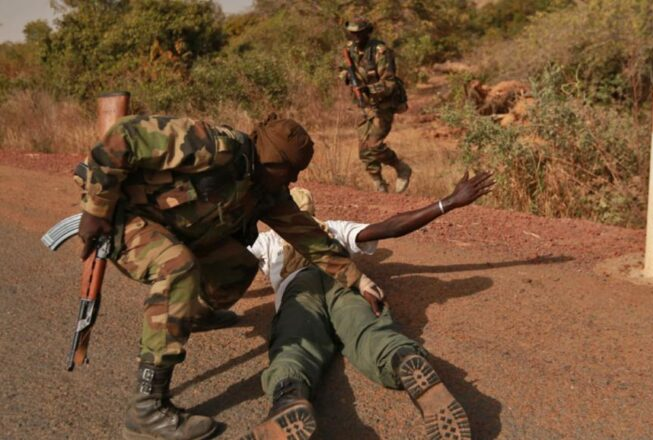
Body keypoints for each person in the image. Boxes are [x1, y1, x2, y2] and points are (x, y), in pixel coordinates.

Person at [76, 113, 384, 440]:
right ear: (270, 160)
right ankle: (147, 407)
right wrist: (96, 210)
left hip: (176, 228)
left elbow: (309, 237)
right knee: (177, 267)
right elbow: (124, 135)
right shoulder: (212, 145)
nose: (292, 180)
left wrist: (358, 280)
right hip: (124, 219)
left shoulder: (266, 191)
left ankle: (191, 313)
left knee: (237, 264)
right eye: (289, 171)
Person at [245, 171, 494, 440]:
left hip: (299, 289)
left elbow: (226, 259)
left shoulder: (268, 239)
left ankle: (289, 395)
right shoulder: (332, 227)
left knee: (294, 344)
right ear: (312, 211)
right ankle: (402, 359)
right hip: (345, 281)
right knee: (370, 332)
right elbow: (391, 226)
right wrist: (449, 202)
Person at [340, 17, 412, 193]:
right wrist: (347, 77)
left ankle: (401, 167)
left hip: (383, 105)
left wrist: (368, 88)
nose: (355, 37)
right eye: (352, 33)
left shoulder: (381, 51)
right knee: (363, 150)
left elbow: (389, 83)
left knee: (374, 144)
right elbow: (342, 70)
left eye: (359, 33)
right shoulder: (350, 50)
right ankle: (379, 184)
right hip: (363, 105)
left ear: (368, 32)